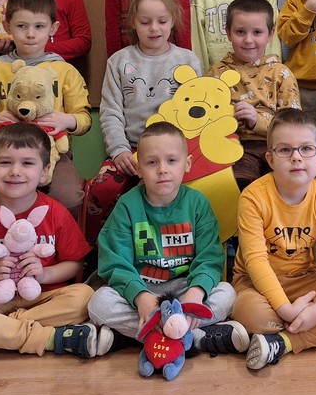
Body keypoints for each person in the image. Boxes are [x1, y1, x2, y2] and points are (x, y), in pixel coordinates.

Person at [87, 122, 248, 356]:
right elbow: (115, 262)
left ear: (187, 164)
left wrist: (197, 292)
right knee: (99, 303)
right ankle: (192, 337)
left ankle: (148, 334)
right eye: (152, 162)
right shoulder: (127, 206)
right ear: (139, 168)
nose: (162, 169)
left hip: (183, 289)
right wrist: (140, 296)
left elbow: (210, 258)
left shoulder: (197, 204)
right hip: (143, 288)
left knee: (227, 294)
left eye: (171, 160)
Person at [231, 109, 316, 370]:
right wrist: (286, 309)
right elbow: (255, 262)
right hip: (257, 283)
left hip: (305, 280)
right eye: (285, 150)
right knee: (250, 313)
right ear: (271, 159)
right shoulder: (253, 197)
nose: (296, 157)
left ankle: (283, 342)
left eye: (306, 149)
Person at [0, 123, 108, 359]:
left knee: (85, 297)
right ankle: (50, 338)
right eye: (5, 162)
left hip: (44, 298)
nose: (15, 171)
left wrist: (45, 274)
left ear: (44, 172)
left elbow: (75, 264)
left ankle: (3, 330)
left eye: (27, 163)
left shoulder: (56, 213)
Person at [0, 0, 91, 223]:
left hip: (52, 153)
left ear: (53, 28)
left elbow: (84, 119)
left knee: (68, 198)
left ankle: (54, 241)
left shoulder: (65, 71)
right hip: (1, 152)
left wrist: (67, 120)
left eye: (39, 26)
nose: (30, 34)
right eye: (22, 26)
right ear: (7, 27)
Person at [87, 0, 202, 243]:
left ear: (172, 21)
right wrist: (119, 150)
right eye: (145, 22)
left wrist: (181, 153)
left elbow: (197, 113)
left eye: (162, 21)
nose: (154, 28)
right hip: (131, 150)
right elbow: (111, 111)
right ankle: (96, 251)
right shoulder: (119, 61)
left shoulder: (188, 60)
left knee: (197, 190)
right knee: (102, 190)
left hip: (173, 152)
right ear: (133, 22)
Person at [207, 0, 300, 190]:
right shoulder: (215, 74)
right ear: (228, 32)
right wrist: (229, 120)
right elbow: (206, 122)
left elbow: (294, 125)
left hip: (279, 147)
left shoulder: (281, 73)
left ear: (270, 34)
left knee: (299, 181)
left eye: (257, 32)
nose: (248, 40)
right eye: (240, 32)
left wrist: (257, 121)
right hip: (236, 148)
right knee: (238, 182)